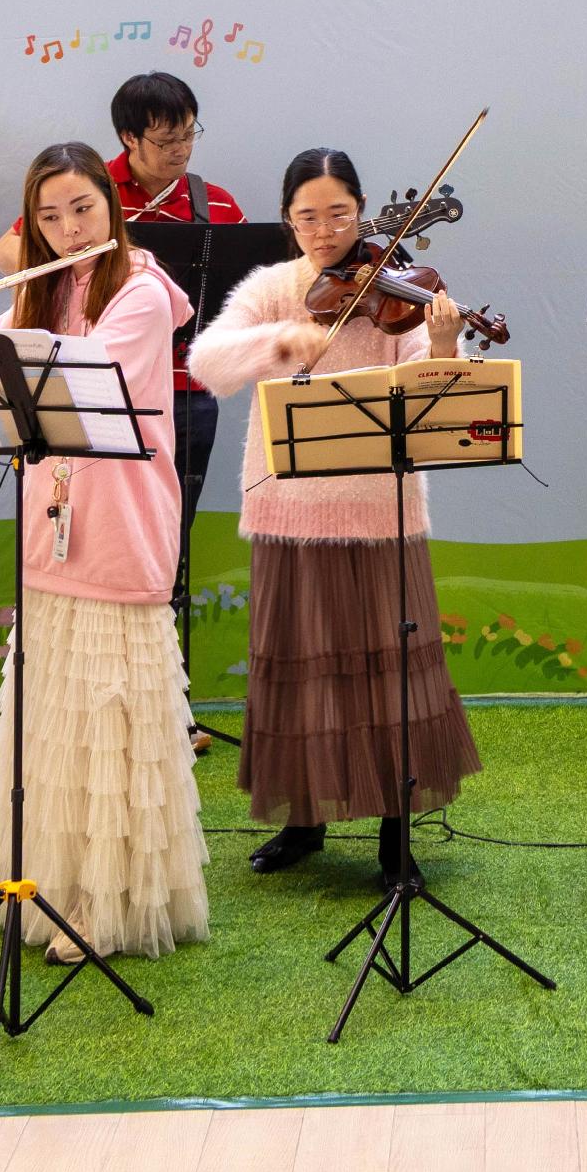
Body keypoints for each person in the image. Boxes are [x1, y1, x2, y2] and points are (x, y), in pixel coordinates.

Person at [184, 148, 483, 875]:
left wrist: (443, 341)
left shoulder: (398, 291)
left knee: (393, 672)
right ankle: (303, 817)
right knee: (298, 668)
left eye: (339, 215)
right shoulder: (273, 286)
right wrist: (279, 338)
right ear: (289, 219)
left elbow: (441, 393)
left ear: (363, 209)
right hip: (288, 509)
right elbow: (206, 362)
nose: (324, 232)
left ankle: (395, 835)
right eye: (307, 217)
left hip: (382, 509)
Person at [0, 142, 209, 960]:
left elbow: (79, 371)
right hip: (49, 524)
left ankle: (115, 900)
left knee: (112, 714)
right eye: (50, 215)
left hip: (120, 521)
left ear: (113, 205)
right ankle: (51, 885)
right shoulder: (40, 291)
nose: (68, 229)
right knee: (55, 708)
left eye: (83, 209)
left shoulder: (139, 291)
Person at [0, 72, 242, 560]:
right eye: (167, 139)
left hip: (184, 387)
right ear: (130, 138)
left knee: (164, 537)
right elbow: (6, 250)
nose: (182, 149)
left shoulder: (217, 203)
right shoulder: (87, 189)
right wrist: (83, 272)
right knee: (84, 533)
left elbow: (243, 291)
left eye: (190, 133)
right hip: (89, 386)